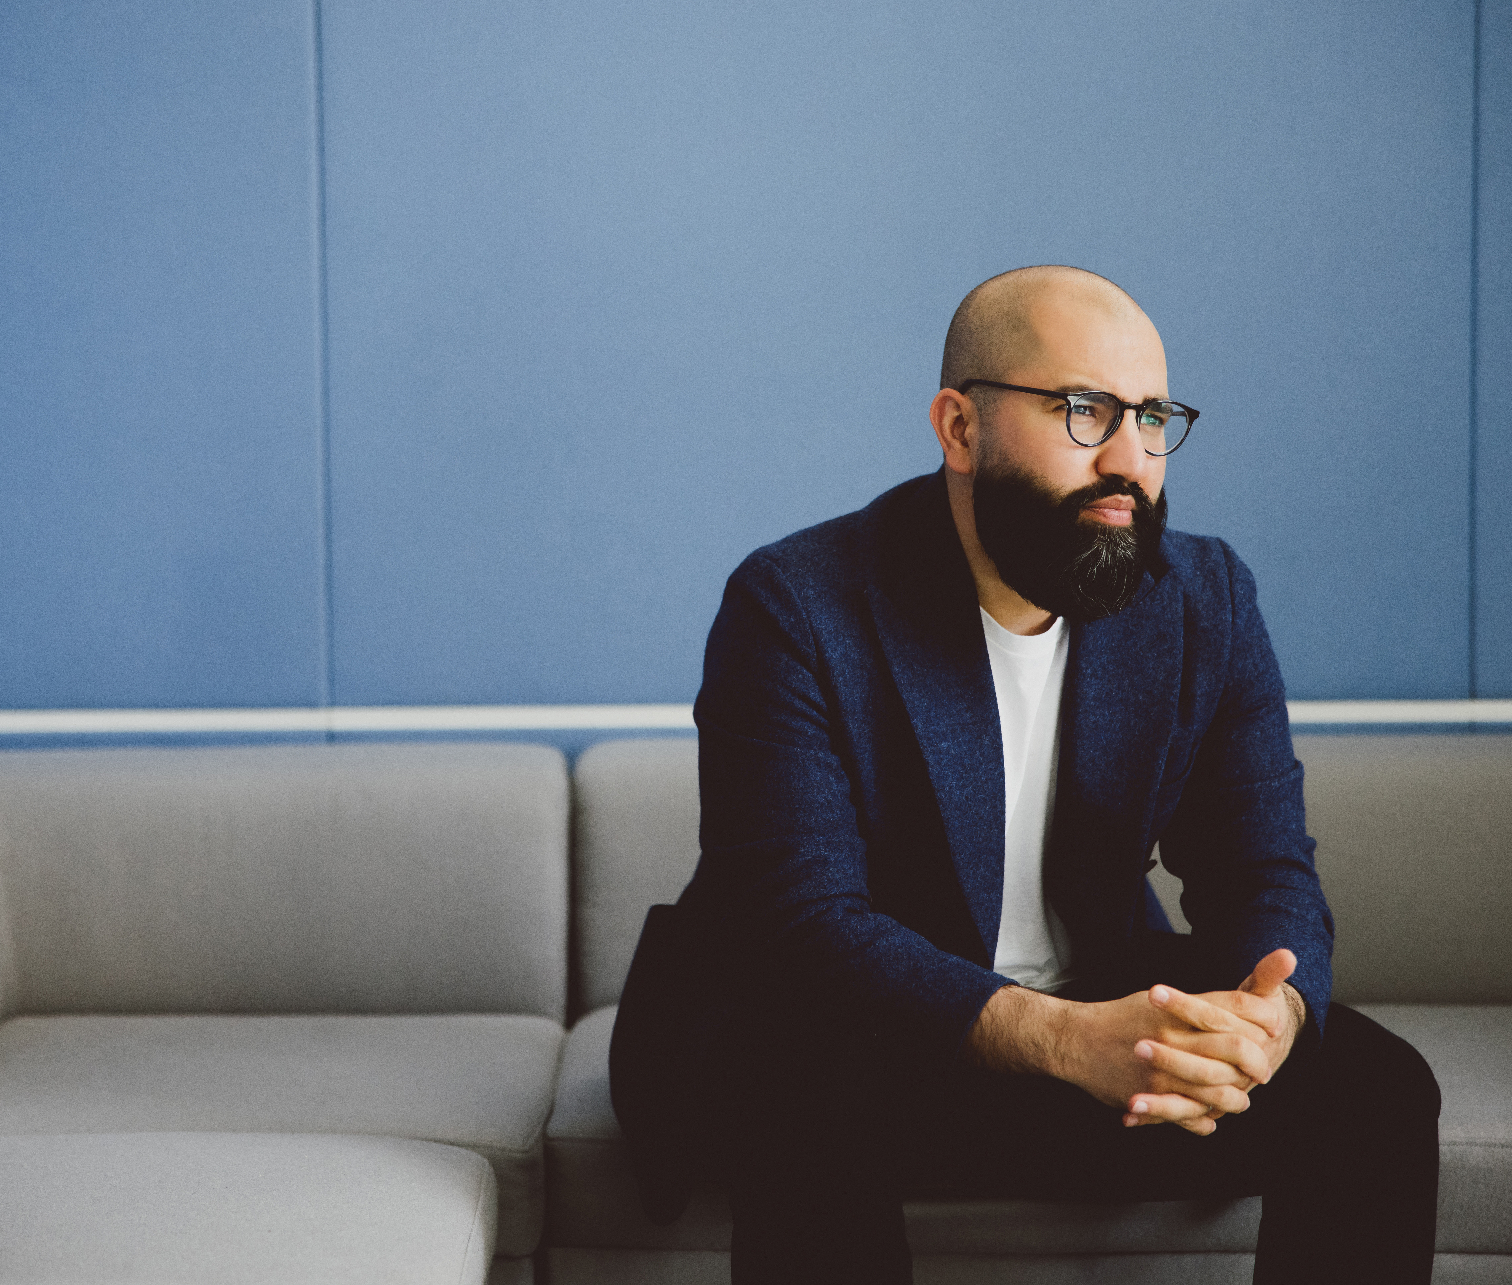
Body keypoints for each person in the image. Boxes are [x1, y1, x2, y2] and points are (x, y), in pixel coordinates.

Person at [610, 266, 1442, 1284]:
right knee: (801, 1079)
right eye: (1082, 411)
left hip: (1099, 1020)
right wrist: (1055, 1036)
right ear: (958, 427)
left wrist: (1267, 1018)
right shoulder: (797, 603)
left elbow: (1261, 863)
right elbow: (800, 920)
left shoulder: (1199, 597)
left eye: (1149, 417)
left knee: (1374, 1088)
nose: (1128, 460)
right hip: (870, 1033)